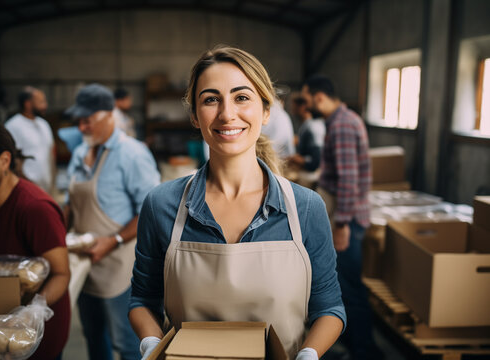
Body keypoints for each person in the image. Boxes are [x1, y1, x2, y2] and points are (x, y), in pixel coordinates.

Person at [129, 46, 345, 360]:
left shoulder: (305, 208)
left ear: (266, 111)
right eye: (211, 99)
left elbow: (329, 308)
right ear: (194, 115)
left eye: (242, 97)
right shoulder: (162, 205)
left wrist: (308, 353)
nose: (227, 114)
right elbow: (142, 301)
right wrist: (151, 344)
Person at [0, 119, 71, 360]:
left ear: (5, 161)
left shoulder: (35, 209)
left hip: (35, 334)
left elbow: (62, 273)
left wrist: (33, 311)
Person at [63, 83, 160, 360]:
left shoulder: (132, 154)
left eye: (87, 121)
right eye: (78, 121)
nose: (81, 127)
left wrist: (114, 240)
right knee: (94, 336)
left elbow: (150, 211)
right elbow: (71, 202)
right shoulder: (81, 153)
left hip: (119, 267)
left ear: (109, 115)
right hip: (84, 262)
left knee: (127, 344)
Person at [301, 75, 381, 360]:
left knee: (348, 287)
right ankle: (350, 344)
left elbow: (349, 180)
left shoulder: (343, 125)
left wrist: (342, 224)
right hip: (341, 216)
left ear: (319, 97)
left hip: (345, 219)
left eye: (307, 99)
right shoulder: (337, 122)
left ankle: (365, 351)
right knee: (342, 284)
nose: (305, 105)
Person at [5, 86, 56, 194]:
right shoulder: (13, 126)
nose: (45, 106)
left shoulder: (44, 124)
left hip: (46, 188)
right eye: (41, 102)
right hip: (26, 190)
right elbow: (11, 161)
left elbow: (51, 154)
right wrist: (28, 185)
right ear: (27, 104)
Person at [287, 96, 326, 172]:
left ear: (302, 107)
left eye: (294, 107)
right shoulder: (306, 125)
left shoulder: (313, 127)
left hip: (310, 174)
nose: (292, 110)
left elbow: (316, 160)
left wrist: (295, 159)